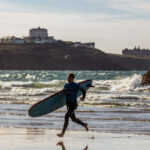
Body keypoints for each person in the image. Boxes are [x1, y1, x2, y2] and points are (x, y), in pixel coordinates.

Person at [57, 73, 88, 137]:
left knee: (66, 116)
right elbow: (63, 91)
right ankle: (84, 124)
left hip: (74, 104)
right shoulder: (66, 85)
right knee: (73, 119)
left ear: (73, 79)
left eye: (70, 78)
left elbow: (83, 90)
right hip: (68, 104)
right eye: (68, 78)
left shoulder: (76, 85)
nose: (68, 79)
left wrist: (83, 97)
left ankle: (62, 133)